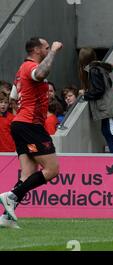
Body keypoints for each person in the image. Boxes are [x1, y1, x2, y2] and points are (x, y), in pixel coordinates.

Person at [0, 37, 63, 229]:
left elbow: (12, 98)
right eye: (45, 47)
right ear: (36, 50)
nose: (47, 49)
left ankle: (6, 218)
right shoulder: (29, 67)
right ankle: (11, 195)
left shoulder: (20, 71)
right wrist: (53, 51)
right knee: (52, 170)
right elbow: (42, 72)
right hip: (30, 125)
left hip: (21, 124)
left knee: (27, 175)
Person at [79, 47, 113, 154]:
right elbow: (106, 85)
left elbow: (99, 90)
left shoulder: (94, 70)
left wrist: (85, 94)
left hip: (107, 104)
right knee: (106, 131)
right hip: (107, 102)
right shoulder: (99, 68)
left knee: (112, 130)